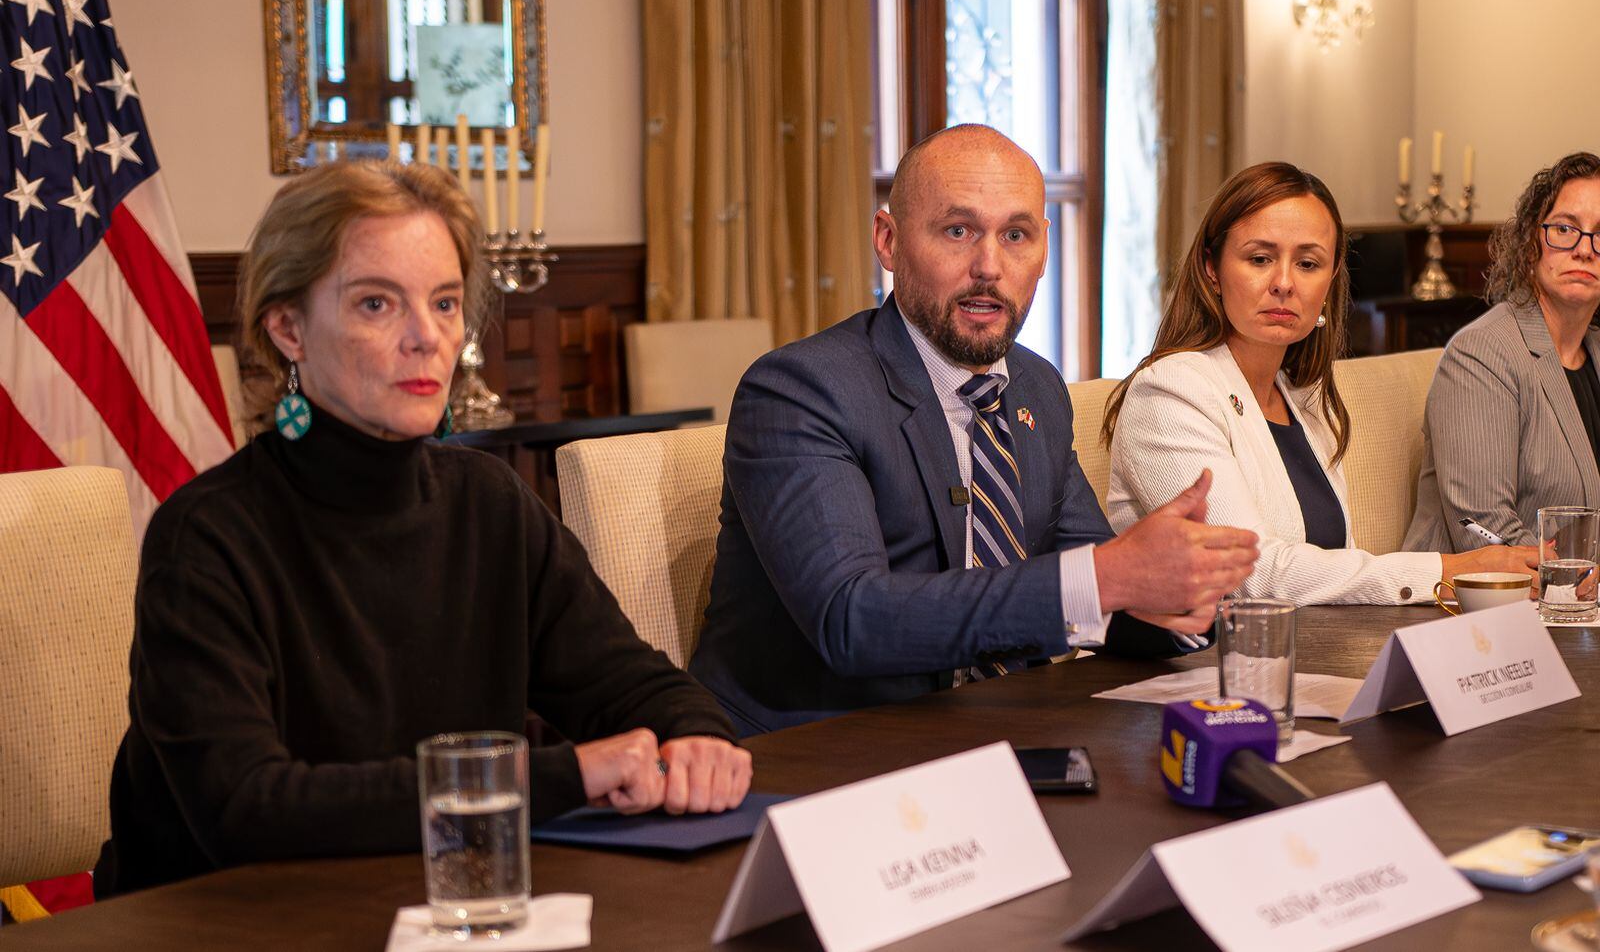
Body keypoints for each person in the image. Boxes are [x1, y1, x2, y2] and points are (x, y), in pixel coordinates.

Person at [95, 161, 751, 897]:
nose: (426, 338)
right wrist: (563, 775)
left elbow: (631, 683)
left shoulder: (488, 502)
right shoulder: (206, 536)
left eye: (444, 303)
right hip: (221, 917)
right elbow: (248, 809)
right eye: (377, 304)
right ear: (287, 328)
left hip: (444, 893)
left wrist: (697, 736)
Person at [688, 125, 1261, 737]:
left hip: (1000, 731)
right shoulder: (801, 390)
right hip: (821, 748)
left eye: (1016, 235)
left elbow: (1086, 581)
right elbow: (853, 620)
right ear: (888, 240)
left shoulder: (1035, 386)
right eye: (957, 231)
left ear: (1043, 250)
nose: (989, 267)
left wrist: (1178, 601)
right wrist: (1108, 576)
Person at [1103, 162, 1534, 606]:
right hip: (1200, 666)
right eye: (1259, 259)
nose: (1284, 284)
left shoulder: (1305, 398)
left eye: (1308, 263)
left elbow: (1331, 568)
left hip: (1311, 652)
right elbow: (1247, 575)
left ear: (1329, 281)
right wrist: (1449, 568)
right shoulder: (1170, 393)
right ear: (1212, 269)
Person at [1406, 153, 1600, 551]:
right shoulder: (1482, 354)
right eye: (1565, 228)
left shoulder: (1595, 349)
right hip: (1476, 605)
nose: (1585, 249)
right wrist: (1580, 580)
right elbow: (1483, 530)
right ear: (1531, 245)